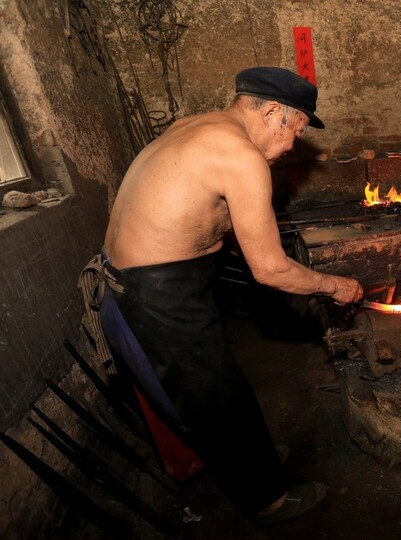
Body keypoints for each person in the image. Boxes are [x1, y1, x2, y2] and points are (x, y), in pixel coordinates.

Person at [97, 66, 364, 526]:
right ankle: (268, 500)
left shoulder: (194, 126)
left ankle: (249, 452)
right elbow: (270, 269)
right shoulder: (242, 157)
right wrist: (334, 285)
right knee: (215, 398)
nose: (288, 149)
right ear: (274, 112)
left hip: (139, 283)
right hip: (157, 295)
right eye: (294, 134)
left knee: (222, 387)